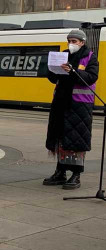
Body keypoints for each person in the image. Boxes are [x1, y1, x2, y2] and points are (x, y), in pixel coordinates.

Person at [44, 30, 99, 190]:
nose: (71, 43)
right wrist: (52, 69)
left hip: (79, 105)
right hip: (61, 103)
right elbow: (53, 78)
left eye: (74, 40)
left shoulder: (89, 56)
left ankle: (76, 174)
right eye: (69, 40)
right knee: (60, 139)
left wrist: (73, 71)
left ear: (82, 42)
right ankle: (60, 172)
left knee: (76, 140)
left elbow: (91, 77)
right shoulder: (63, 55)